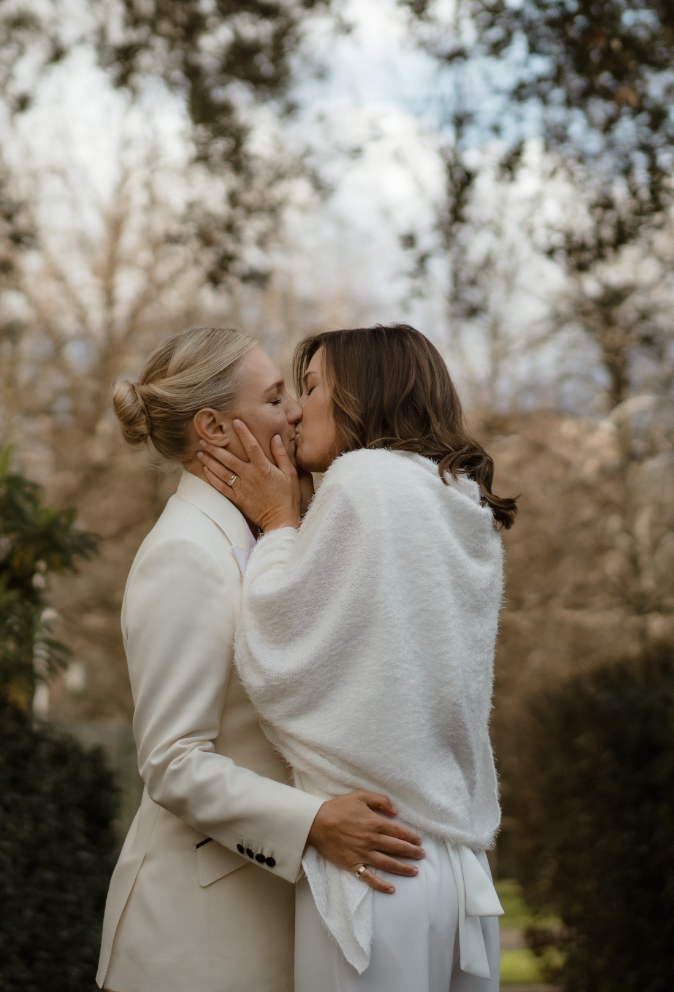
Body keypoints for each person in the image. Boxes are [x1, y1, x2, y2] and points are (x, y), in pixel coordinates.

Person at [97, 326, 430, 992]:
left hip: (266, 924)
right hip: (195, 941)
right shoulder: (185, 554)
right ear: (216, 430)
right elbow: (172, 760)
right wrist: (313, 824)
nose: (298, 412)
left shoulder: (268, 535)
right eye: (277, 398)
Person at [194, 324, 515, 992]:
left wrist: (280, 526)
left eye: (310, 388)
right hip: (458, 868)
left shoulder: (363, 479)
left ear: (365, 394)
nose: (296, 410)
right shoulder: (455, 500)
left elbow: (281, 652)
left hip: (374, 860)